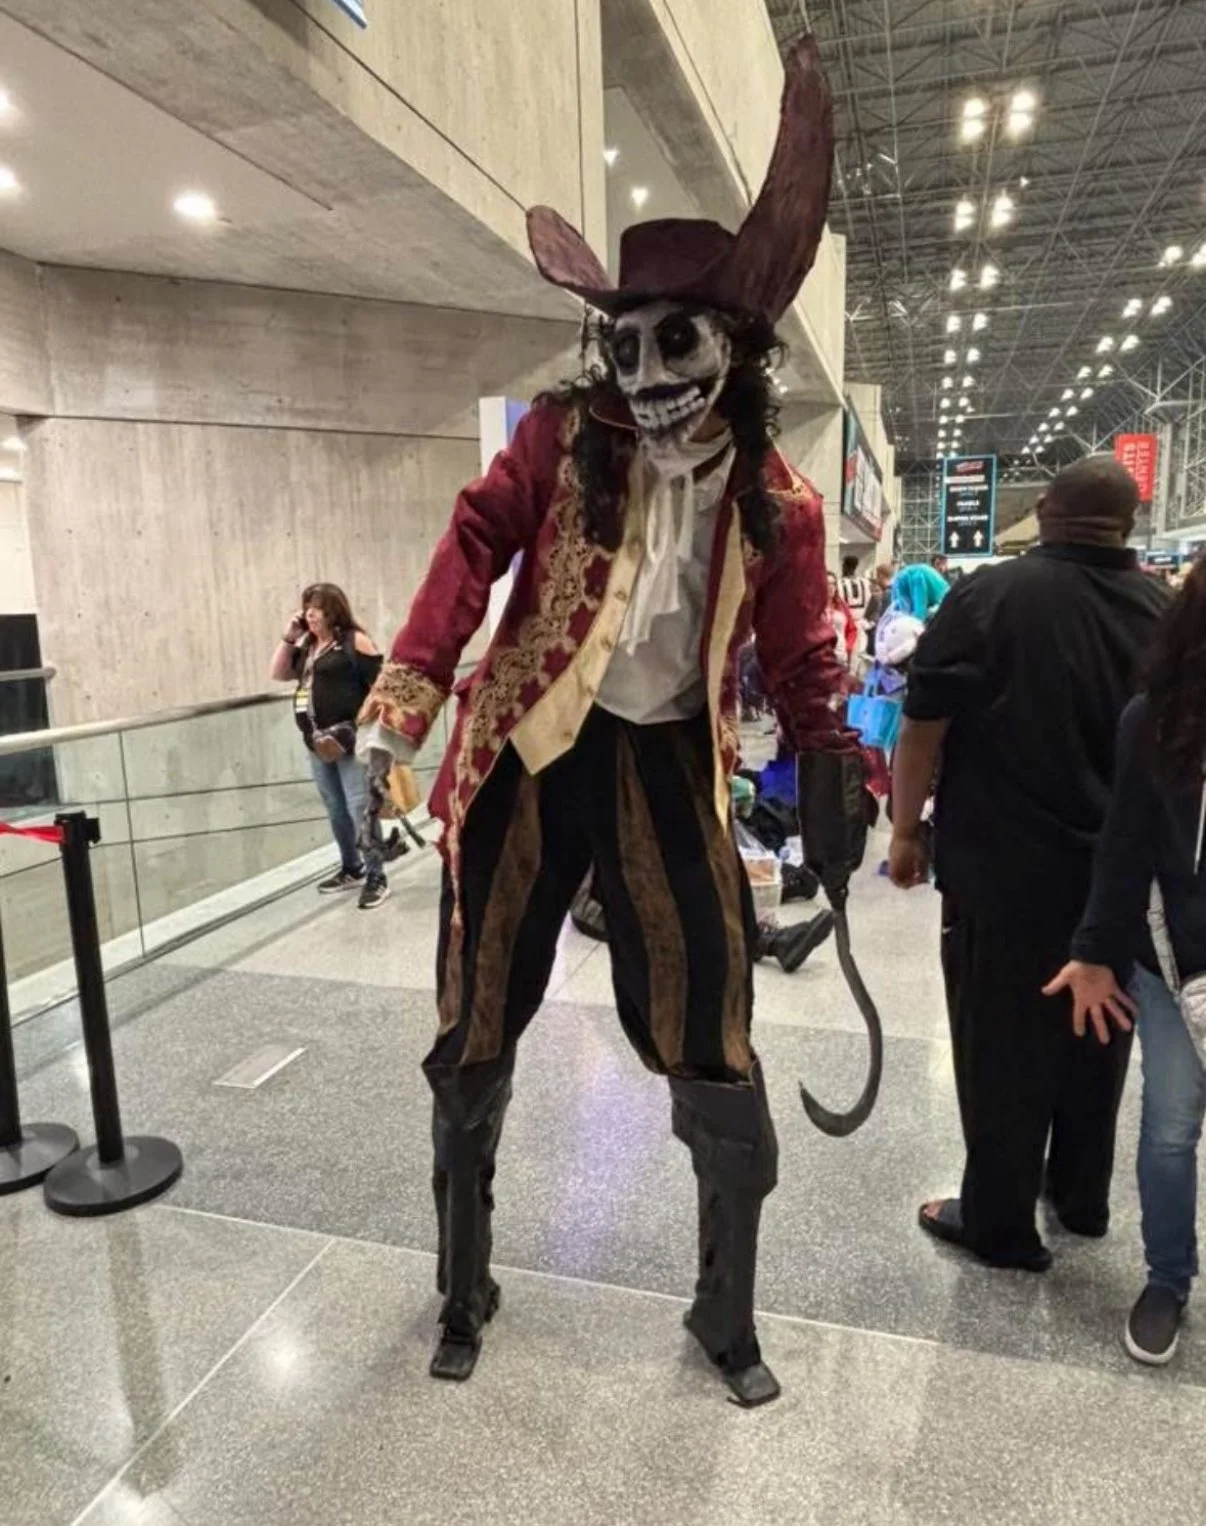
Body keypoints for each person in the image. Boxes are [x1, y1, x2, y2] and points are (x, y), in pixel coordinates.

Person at [356, 39, 869, 1407]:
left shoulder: (780, 501)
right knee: (475, 1021)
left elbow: (802, 656)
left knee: (713, 1021)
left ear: (736, 346)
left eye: (675, 340)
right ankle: (463, 1286)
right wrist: (408, 693)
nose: (644, 372)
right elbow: (473, 542)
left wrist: (833, 773)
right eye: (624, 342)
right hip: (528, 751)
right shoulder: (557, 439)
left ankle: (725, 1311)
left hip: (666, 762)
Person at [889, 456, 1169, 1271]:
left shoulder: (989, 595)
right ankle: (1081, 1198)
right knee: (1101, 1033)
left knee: (1001, 1046)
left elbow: (923, 723)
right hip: (1120, 881)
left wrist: (904, 832)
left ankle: (1000, 1223)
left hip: (1003, 872)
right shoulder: (1166, 610)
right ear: (1128, 523)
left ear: (1045, 509)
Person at [1045, 558, 1206, 1363]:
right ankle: (1168, 1278)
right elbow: (1124, 845)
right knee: (1170, 1132)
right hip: (1178, 967)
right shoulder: (1158, 721)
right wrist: (1093, 952)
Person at [270, 583, 389, 910]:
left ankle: (377, 875)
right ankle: (352, 866)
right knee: (336, 808)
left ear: (333, 610)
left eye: (317, 608)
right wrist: (289, 637)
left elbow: (381, 686)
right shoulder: (308, 646)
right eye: (306, 607)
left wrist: (375, 732)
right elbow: (278, 673)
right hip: (317, 743)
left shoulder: (353, 641)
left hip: (351, 741)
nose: (310, 614)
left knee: (359, 807)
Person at [826, 571, 859, 667]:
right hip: (821, 657)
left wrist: (848, 648)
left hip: (840, 656)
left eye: (833, 584)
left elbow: (852, 629)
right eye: (827, 583)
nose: (831, 587)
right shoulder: (815, 605)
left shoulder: (841, 604)